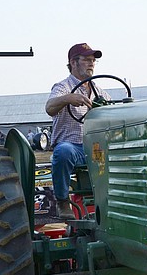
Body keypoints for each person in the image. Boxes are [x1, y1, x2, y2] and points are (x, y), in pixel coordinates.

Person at [45, 43, 111, 219]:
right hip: (73, 146)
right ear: (73, 63)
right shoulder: (63, 87)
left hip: (96, 147)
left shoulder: (100, 93)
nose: (91, 64)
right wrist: (68, 98)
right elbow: (50, 107)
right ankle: (62, 201)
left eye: (93, 60)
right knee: (63, 151)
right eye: (87, 60)